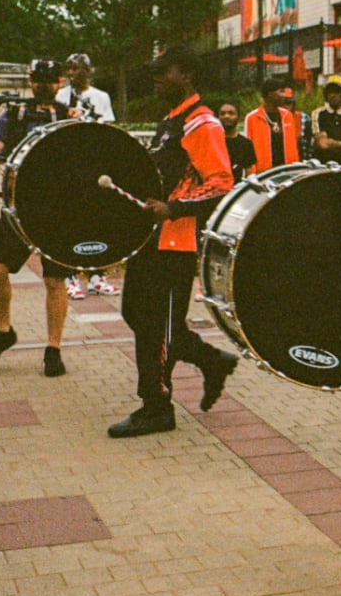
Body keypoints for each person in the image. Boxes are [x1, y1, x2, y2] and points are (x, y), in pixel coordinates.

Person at [107, 45, 239, 438]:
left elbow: (222, 182)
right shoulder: (171, 121)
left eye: (165, 72)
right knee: (138, 315)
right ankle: (211, 360)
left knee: (160, 328)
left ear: (187, 74)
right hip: (149, 240)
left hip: (174, 242)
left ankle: (157, 406)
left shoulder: (202, 123)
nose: (157, 78)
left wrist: (175, 207)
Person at [0, 58, 72, 378]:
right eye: (38, 79)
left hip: (57, 211)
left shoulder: (69, 117)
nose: (44, 85)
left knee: (55, 280)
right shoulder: (12, 115)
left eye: (50, 79)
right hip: (18, 207)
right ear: (30, 80)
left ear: (60, 81)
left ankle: (53, 349)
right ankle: (4, 331)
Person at [57, 52, 120, 301]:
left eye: (77, 69)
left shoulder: (100, 97)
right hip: (70, 165)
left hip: (94, 164)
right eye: (69, 69)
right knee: (71, 221)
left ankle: (97, 276)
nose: (72, 73)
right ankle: (70, 277)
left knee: (96, 220)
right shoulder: (61, 97)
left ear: (87, 71)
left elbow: (108, 127)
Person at [244, 79, 299, 175]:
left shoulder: (287, 115)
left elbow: (293, 146)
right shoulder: (252, 117)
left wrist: (295, 169)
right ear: (270, 94)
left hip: (287, 172)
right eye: (281, 91)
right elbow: (247, 149)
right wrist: (252, 175)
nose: (284, 96)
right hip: (263, 174)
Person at [217, 101, 256, 183]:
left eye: (231, 113)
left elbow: (249, 173)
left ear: (238, 117)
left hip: (235, 191)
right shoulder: (212, 142)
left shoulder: (245, 144)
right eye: (222, 113)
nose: (226, 116)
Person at [282, 87, 313, 160]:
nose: (285, 106)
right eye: (283, 103)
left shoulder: (303, 118)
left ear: (293, 104)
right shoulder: (273, 119)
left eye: (288, 103)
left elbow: (309, 144)